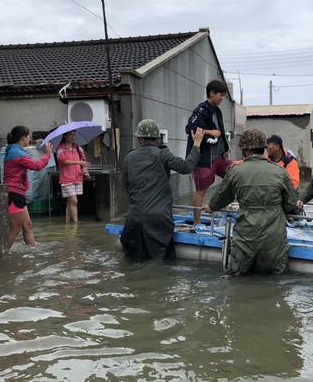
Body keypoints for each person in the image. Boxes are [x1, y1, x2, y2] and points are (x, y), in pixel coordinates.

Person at [204, 129, 298, 276]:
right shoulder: (280, 170)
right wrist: (275, 209)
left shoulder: (236, 171)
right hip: (274, 235)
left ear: (246, 149)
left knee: (238, 276)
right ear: (263, 148)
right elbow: (292, 201)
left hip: (245, 234)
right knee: (276, 280)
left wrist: (210, 208)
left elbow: (222, 197)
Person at [122, 119, 205, 260]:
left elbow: (127, 187)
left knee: (132, 262)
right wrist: (196, 144)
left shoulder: (129, 157)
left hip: (133, 219)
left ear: (139, 138)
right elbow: (186, 167)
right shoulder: (162, 154)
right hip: (158, 220)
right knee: (161, 263)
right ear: (156, 137)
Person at [185, 79, 234, 225]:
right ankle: (196, 223)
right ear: (212, 93)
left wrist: (224, 147)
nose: (223, 98)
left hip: (218, 156)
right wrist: (210, 131)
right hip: (203, 158)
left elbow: (220, 132)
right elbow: (190, 129)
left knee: (236, 174)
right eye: (221, 95)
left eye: (224, 95)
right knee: (201, 191)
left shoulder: (217, 110)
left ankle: (222, 204)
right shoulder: (201, 110)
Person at [3, 125, 52, 250]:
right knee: (15, 229)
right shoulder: (17, 152)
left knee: (27, 225)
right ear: (23, 138)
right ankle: (1, 254)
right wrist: (48, 154)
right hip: (14, 193)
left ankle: (32, 252)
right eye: (28, 136)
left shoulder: (14, 149)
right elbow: (36, 165)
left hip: (18, 192)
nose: (29, 138)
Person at [55, 130, 91, 223]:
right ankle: (75, 223)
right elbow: (63, 161)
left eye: (74, 135)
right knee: (74, 201)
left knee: (70, 201)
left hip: (78, 177)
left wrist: (84, 168)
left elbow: (84, 159)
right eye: (70, 135)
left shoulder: (77, 147)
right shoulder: (60, 148)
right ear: (65, 136)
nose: (72, 137)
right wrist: (79, 162)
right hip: (66, 178)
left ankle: (67, 223)